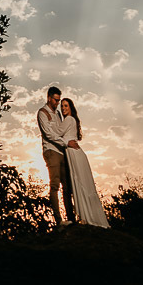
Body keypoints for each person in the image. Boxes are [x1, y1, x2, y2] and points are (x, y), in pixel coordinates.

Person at [57, 97, 109, 228]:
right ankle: (89, 216)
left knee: (80, 183)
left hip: (74, 153)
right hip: (76, 153)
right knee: (83, 184)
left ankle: (89, 217)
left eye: (66, 106)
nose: (63, 108)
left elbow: (56, 133)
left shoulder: (68, 119)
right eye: (62, 106)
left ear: (71, 108)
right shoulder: (72, 120)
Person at [37, 86, 75, 226]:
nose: (57, 103)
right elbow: (48, 134)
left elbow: (62, 132)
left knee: (67, 186)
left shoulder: (59, 114)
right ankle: (59, 221)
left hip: (62, 152)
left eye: (59, 101)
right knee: (54, 186)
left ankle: (71, 219)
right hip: (51, 151)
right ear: (49, 98)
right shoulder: (42, 113)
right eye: (55, 100)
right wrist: (65, 142)